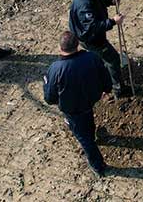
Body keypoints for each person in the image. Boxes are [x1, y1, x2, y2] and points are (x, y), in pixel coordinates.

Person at [44, 31, 112, 177]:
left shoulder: (55, 69)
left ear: (60, 47)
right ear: (77, 45)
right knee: (88, 119)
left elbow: (49, 97)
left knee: (83, 137)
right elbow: (105, 77)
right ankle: (92, 135)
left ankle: (98, 165)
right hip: (90, 101)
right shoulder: (92, 57)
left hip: (72, 109)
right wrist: (106, 89)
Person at [68, 0, 131, 98]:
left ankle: (103, 75)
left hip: (91, 35)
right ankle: (117, 89)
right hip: (91, 38)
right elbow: (93, 27)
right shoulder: (84, 5)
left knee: (103, 58)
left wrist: (110, 1)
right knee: (112, 59)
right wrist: (113, 21)